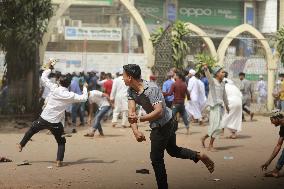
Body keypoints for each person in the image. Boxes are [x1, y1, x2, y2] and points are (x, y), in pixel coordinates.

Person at [123, 64, 214, 189]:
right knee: (173, 150)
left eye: (123, 75)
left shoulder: (151, 89)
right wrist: (135, 131)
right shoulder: (131, 90)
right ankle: (199, 155)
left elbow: (158, 111)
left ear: (129, 77)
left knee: (156, 159)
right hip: (166, 121)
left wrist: (139, 119)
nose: (122, 78)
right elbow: (131, 112)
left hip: (164, 123)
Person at [17, 61, 88, 167]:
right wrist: (85, 88)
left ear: (59, 82)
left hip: (43, 118)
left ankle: (21, 144)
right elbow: (84, 98)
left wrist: (49, 68)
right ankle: (59, 161)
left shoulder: (54, 88)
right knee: (61, 142)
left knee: (32, 130)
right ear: (68, 85)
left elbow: (43, 78)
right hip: (55, 123)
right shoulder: (70, 95)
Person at [201, 65, 229, 152]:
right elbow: (208, 76)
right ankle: (210, 146)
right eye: (222, 72)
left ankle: (204, 137)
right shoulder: (212, 81)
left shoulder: (223, 83)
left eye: (224, 72)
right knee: (217, 126)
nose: (224, 73)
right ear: (217, 74)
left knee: (216, 126)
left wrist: (227, 106)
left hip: (220, 107)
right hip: (213, 107)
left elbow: (224, 96)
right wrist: (206, 69)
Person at [261, 110, 284, 178]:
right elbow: (278, 145)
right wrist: (268, 162)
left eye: (272, 120)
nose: (271, 122)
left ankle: (276, 171)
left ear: (277, 118)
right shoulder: (282, 127)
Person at [221, 73, 242, 139]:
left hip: (230, 102)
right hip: (239, 102)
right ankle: (233, 134)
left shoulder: (224, 86)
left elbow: (222, 97)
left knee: (225, 116)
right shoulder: (234, 87)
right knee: (235, 118)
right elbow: (241, 95)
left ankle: (221, 132)